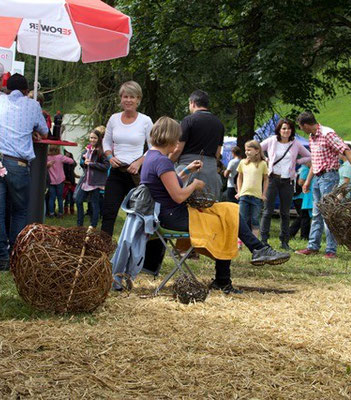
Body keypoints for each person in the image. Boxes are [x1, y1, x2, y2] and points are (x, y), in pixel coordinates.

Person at [142, 117, 290, 294]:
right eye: (177, 137)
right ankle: (226, 277)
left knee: (229, 209)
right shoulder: (162, 161)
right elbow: (179, 196)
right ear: (170, 137)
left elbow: (167, 185)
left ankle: (257, 251)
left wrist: (187, 171)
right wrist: (195, 185)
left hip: (167, 214)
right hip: (173, 217)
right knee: (226, 221)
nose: (179, 142)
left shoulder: (151, 157)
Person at [295, 111, 351, 259]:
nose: (301, 130)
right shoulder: (312, 137)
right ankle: (313, 246)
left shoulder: (327, 133)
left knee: (328, 213)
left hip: (329, 176)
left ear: (305, 125)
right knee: (316, 213)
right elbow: (315, 160)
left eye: (301, 127)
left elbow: (346, 150)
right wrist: (309, 181)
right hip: (317, 177)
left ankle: (331, 250)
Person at [0, 73, 49, 271]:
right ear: (26, 91)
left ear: (6, 88)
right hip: (18, 164)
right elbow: (45, 132)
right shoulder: (33, 105)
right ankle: (14, 255)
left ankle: (0, 258)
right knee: (19, 210)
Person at [101, 81, 153, 236]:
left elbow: (154, 148)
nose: (128, 100)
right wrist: (109, 156)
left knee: (137, 216)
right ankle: (102, 252)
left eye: (132, 97)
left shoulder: (145, 121)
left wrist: (138, 162)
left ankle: (134, 252)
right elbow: (106, 141)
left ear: (138, 99)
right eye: (125, 96)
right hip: (117, 172)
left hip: (136, 175)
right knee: (108, 213)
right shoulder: (114, 119)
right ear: (121, 99)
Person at [259, 119, 311, 250]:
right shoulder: (272, 140)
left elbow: (310, 156)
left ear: (292, 130)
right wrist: (265, 159)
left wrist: (298, 161)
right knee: (267, 211)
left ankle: (284, 241)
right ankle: (264, 240)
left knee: (285, 213)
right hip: (272, 179)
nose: (286, 131)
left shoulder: (295, 143)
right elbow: (256, 148)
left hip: (288, 181)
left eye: (288, 128)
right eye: (283, 128)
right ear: (279, 130)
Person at [170, 90, 224, 199]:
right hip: (211, 174)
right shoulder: (219, 124)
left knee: (185, 208)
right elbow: (218, 153)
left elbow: (178, 149)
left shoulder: (188, 120)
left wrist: (167, 162)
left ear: (193, 103)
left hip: (188, 170)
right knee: (208, 209)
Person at [76, 128, 109, 227]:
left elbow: (106, 166)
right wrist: (83, 162)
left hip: (95, 182)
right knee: (78, 200)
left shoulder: (102, 152)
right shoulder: (87, 149)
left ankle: (93, 226)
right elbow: (83, 165)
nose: (92, 140)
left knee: (94, 204)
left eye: (94, 138)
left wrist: (92, 163)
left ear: (99, 139)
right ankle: (79, 224)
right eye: (91, 138)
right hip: (86, 180)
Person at [235, 140, 268, 238]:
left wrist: (263, 194)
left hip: (257, 197)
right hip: (244, 196)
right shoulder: (242, 163)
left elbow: (266, 179)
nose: (246, 152)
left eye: (249, 150)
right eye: (245, 150)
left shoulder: (263, 164)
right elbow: (239, 177)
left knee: (255, 220)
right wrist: (239, 191)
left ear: (257, 151)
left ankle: (254, 240)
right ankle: (240, 242)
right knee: (242, 219)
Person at [46, 145, 76, 218]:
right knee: (60, 198)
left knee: (51, 198)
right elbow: (72, 161)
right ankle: (60, 213)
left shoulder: (47, 157)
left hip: (51, 180)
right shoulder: (60, 157)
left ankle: (51, 213)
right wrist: (67, 156)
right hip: (60, 180)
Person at [289, 162, 313, 240]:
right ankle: (304, 236)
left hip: (297, 196)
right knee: (305, 217)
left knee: (302, 216)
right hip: (302, 196)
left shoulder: (300, 168)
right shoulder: (305, 168)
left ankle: (290, 233)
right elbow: (301, 182)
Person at [62, 149, 77, 216]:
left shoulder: (71, 166)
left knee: (72, 198)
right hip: (67, 183)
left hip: (72, 183)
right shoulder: (64, 165)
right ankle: (66, 210)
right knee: (67, 197)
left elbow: (72, 173)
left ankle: (71, 209)